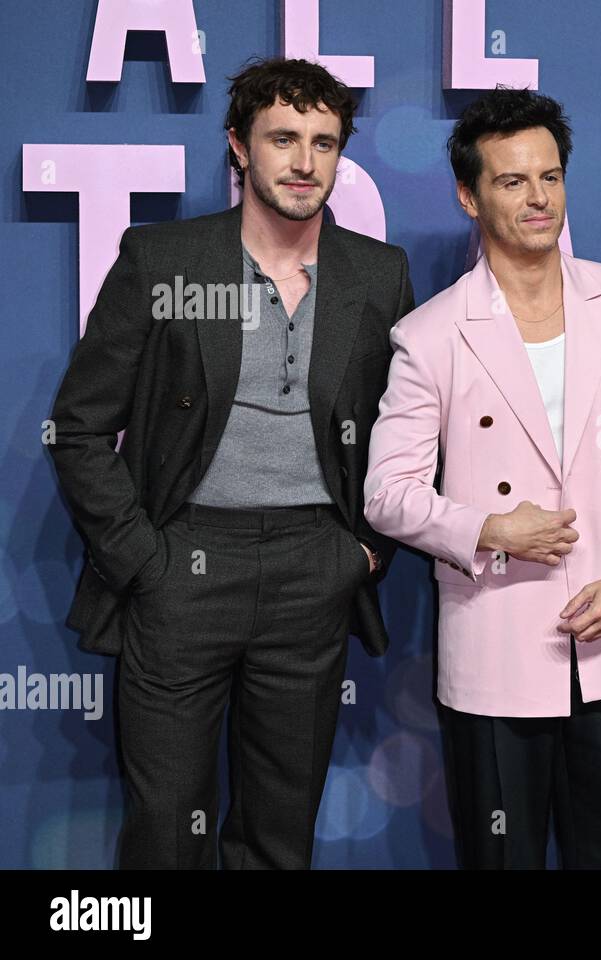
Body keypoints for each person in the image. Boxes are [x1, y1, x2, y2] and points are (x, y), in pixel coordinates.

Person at [47, 57, 413, 868]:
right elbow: (76, 428)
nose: (304, 161)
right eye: (283, 138)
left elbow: (408, 431)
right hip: (184, 566)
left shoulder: (377, 275)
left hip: (313, 568)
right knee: (166, 831)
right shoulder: (164, 261)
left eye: (323, 142)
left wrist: (357, 553)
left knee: (279, 837)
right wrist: (146, 560)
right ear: (239, 147)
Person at [362, 88, 601, 869]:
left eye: (550, 177)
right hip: (498, 651)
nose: (537, 197)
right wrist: (486, 529)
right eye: (512, 181)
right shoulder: (431, 334)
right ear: (468, 195)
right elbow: (387, 492)